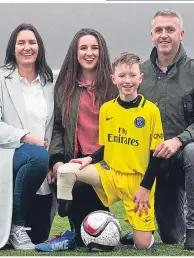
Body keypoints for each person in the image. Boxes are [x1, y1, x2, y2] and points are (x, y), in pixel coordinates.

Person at [122, 10, 194, 250]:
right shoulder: (139, 75)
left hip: (191, 155)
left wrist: (179, 140)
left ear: (181, 34)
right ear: (152, 36)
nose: (164, 35)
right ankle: (152, 219)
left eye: (170, 30)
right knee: (171, 236)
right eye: (159, 30)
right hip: (158, 163)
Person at [52, 52, 165, 250]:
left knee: (142, 245)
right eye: (122, 76)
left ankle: (139, 232)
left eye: (132, 75)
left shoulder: (150, 111)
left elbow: (156, 154)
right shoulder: (107, 110)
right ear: (114, 79)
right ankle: (63, 207)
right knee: (66, 170)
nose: (127, 80)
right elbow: (107, 147)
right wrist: (89, 159)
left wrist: (145, 188)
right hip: (109, 174)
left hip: (137, 182)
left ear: (141, 78)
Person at [0, 23, 56, 250]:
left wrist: (52, 160)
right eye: (21, 43)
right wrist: (27, 138)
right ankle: (16, 226)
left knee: (38, 236)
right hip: (5, 152)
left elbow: (54, 126)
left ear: (39, 47)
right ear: (12, 47)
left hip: (40, 162)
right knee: (36, 156)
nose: (27, 47)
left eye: (32, 42)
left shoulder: (49, 82)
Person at [47, 28, 118, 247]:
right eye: (83, 48)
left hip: (105, 161)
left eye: (94, 48)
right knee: (84, 235)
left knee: (96, 229)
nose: (89, 53)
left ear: (102, 51)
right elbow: (58, 127)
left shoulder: (114, 85)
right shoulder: (64, 86)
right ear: (75, 53)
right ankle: (66, 201)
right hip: (75, 160)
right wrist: (56, 160)